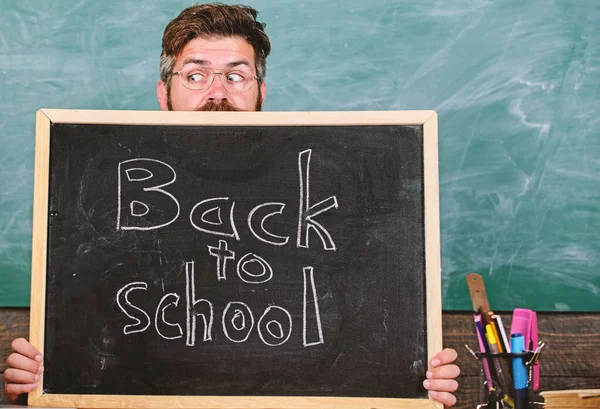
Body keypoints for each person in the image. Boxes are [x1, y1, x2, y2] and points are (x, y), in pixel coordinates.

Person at [4, 3, 460, 407]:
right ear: (165, 94)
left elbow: (374, 335)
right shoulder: (104, 185)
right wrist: (38, 382)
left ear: (262, 93)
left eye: (236, 75)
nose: (217, 92)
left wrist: (414, 379)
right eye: (196, 74)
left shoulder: (341, 186)